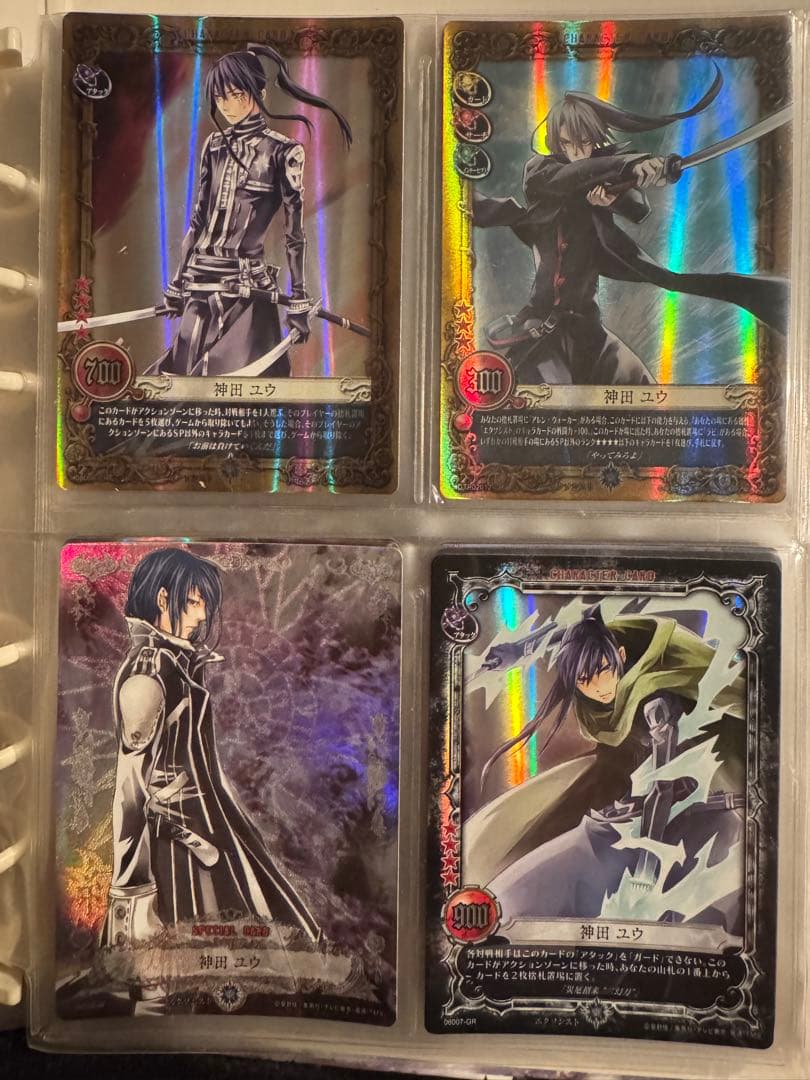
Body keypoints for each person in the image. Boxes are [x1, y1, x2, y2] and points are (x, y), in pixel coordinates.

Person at [472, 66, 789, 385]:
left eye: (585, 142)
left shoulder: (601, 175)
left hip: (588, 329)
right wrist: (631, 164)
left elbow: (637, 207)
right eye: (568, 143)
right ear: (556, 142)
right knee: (550, 399)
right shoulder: (541, 171)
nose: (577, 152)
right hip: (539, 330)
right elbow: (572, 177)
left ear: (595, 140)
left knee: (645, 390)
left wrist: (638, 178)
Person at [464, 606, 747, 933]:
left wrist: (645, 872)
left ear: (621, 656)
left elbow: (663, 784)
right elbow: (573, 635)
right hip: (634, 783)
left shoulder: (654, 699)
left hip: (695, 794)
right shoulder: (603, 642)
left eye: (604, 671)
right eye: (585, 680)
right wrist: (521, 649)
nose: (598, 686)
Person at [101, 547, 320, 948]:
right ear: (163, 599)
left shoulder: (174, 664)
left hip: (208, 826)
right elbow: (130, 791)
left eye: (204, 604)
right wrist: (130, 889)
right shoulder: (149, 671)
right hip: (178, 849)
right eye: (194, 601)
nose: (202, 616)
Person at [156, 44, 352, 377]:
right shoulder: (214, 146)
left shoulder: (284, 151)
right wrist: (177, 284)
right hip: (200, 284)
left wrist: (299, 297)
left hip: (247, 289)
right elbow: (198, 221)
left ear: (260, 93)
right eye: (220, 97)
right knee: (178, 379)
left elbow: (294, 232)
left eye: (236, 95)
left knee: (240, 383)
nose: (227, 106)